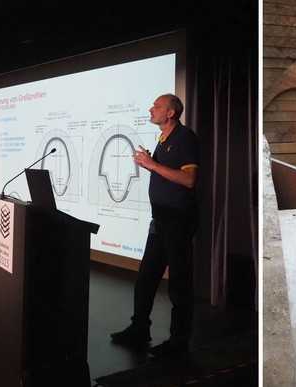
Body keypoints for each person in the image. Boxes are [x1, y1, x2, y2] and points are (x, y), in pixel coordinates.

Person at [110, 93, 200, 357]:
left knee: (179, 285)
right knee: (146, 278)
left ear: (170, 113)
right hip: (160, 220)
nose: (151, 109)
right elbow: (169, 174)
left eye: (157, 106)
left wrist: (152, 164)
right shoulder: (164, 139)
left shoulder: (185, 138)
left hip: (178, 220)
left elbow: (189, 179)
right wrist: (153, 165)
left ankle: (179, 342)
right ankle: (139, 329)